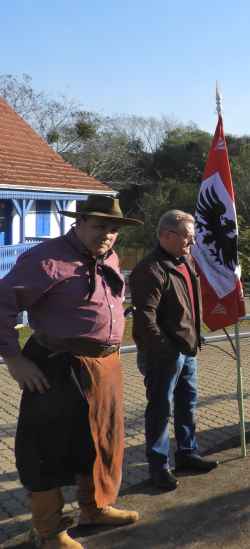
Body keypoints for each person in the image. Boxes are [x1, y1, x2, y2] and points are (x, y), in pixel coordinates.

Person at [0, 196, 141, 549]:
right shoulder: (45, 259)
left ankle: (94, 509)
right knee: (46, 448)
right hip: (58, 366)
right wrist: (16, 361)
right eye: (99, 226)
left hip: (104, 366)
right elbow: (2, 304)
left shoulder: (107, 257)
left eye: (113, 230)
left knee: (101, 441)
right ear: (77, 223)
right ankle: (50, 533)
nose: (107, 236)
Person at [130, 210, 218, 492]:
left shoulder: (184, 260)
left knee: (187, 403)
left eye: (193, 238)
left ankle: (187, 453)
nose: (192, 244)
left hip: (186, 349)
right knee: (160, 410)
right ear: (167, 235)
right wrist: (167, 351)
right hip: (164, 355)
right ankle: (158, 466)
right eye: (188, 238)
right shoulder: (150, 269)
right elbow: (145, 320)